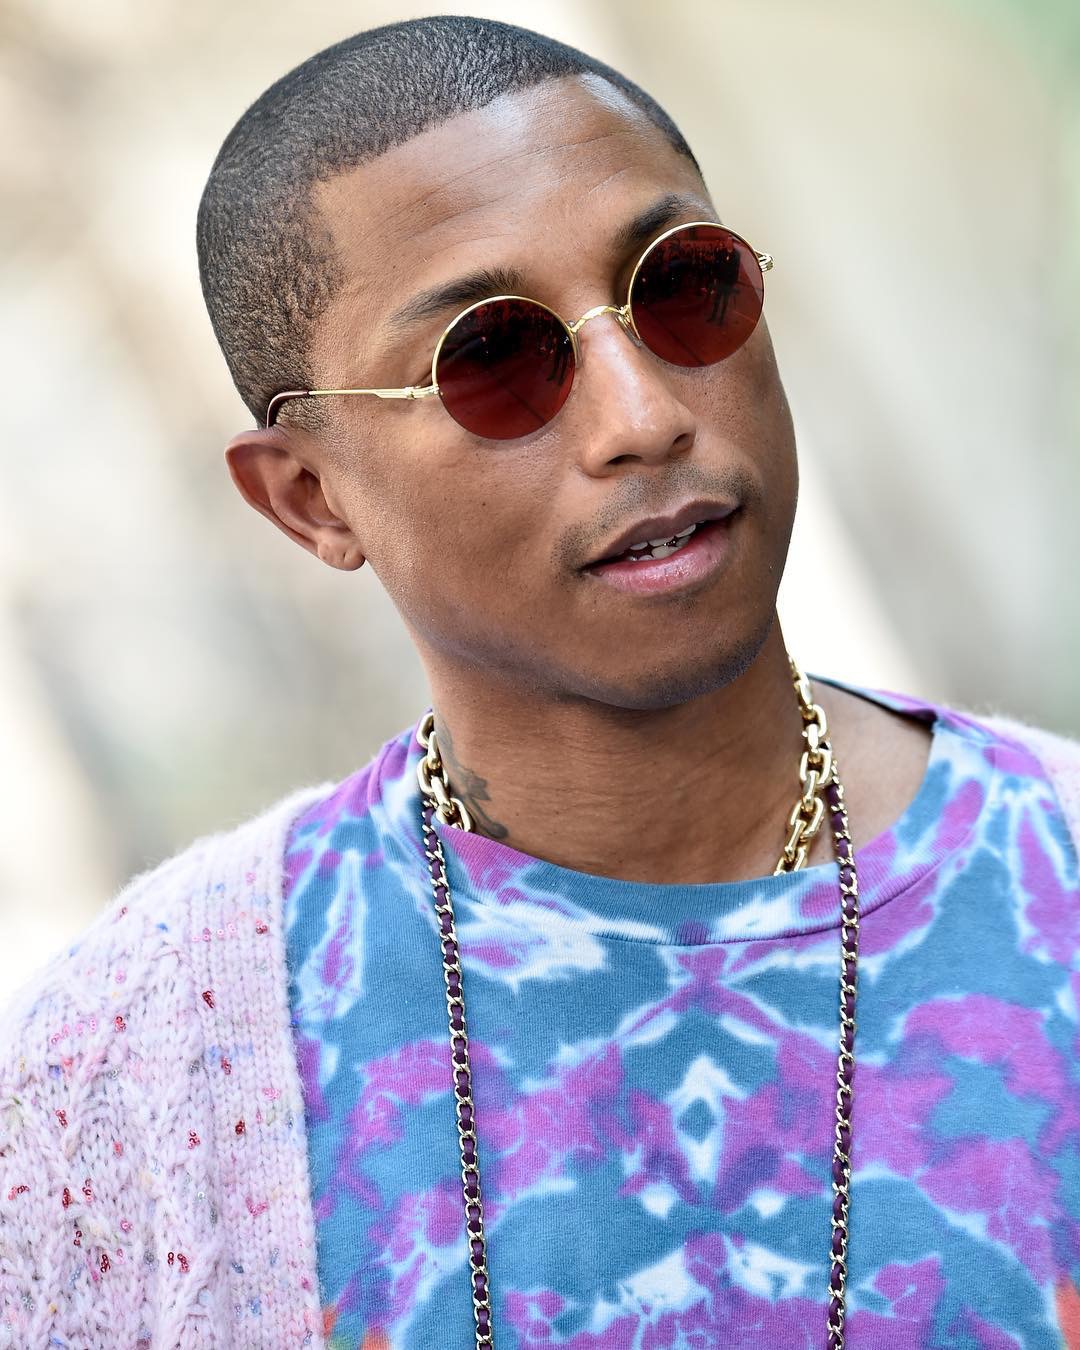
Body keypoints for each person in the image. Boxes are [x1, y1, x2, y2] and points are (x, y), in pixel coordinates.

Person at [2, 15, 1078, 1350]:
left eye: (685, 286)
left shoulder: (1061, 876)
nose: (643, 414)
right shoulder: (140, 1058)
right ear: (311, 498)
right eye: (497, 359)